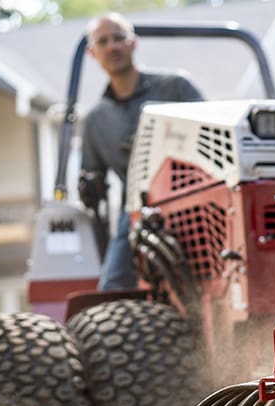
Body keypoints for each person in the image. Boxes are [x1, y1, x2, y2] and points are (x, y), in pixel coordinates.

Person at [79, 12, 204, 291]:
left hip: (196, 197)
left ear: (133, 43)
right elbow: (92, 177)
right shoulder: (96, 120)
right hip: (136, 209)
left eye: (119, 37)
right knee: (113, 287)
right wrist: (89, 185)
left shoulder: (176, 88)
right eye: (103, 41)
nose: (113, 46)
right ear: (92, 52)